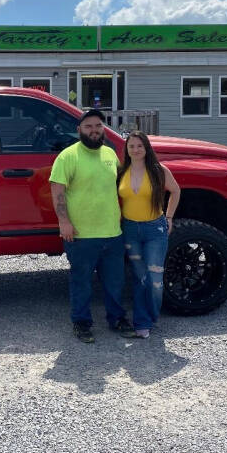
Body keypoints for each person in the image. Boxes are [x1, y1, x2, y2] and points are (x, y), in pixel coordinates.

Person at [50, 109, 137, 343]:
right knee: (82, 282)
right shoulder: (68, 156)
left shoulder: (110, 154)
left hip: (112, 232)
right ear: (79, 130)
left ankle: (117, 318)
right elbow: (57, 190)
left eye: (98, 126)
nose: (94, 130)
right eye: (88, 126)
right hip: (81, 235)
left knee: (115, 282)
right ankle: (81, 323)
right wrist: (64, 222)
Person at [118, 131, 181, 339]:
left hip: (155, 230)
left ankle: (152, 316)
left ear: (146, 148)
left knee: (154, 278)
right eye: (131, 146)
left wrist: (169, 218)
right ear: (126, 150)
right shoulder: (122, 171)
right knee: (139, 277)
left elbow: (176, 190)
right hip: (130, 230)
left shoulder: (157, 170)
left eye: (139, 146)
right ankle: (141, 322)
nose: (135, 150)